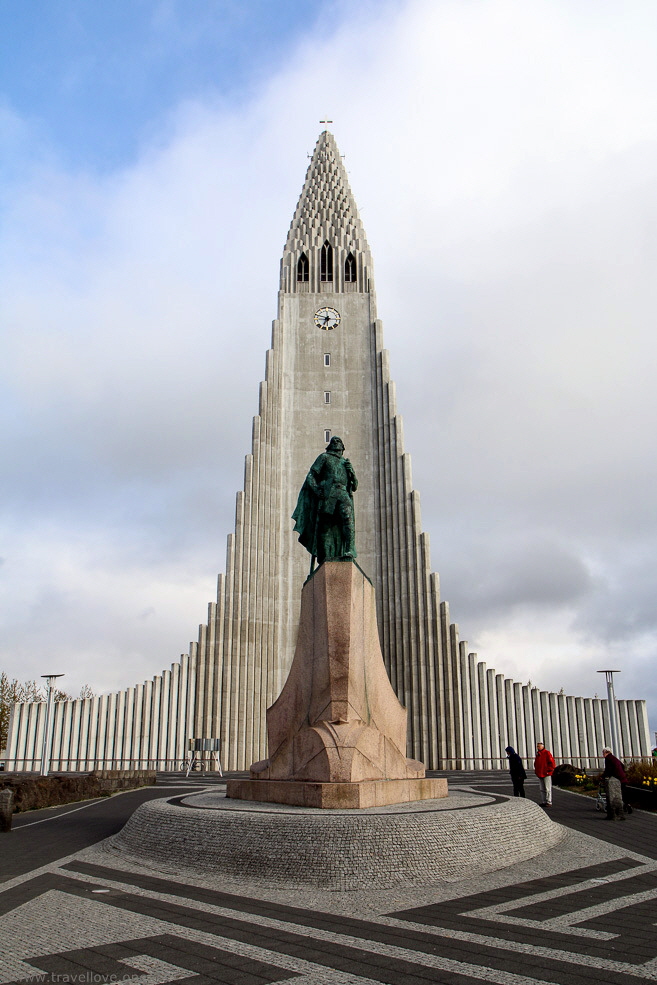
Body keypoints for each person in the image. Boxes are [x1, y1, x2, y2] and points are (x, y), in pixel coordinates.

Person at [292, 436, 358, 565]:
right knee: (325, 525)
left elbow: (354, 486)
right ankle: (324, 556)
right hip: (329, 493)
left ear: (343, 447)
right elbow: (311, 476)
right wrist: (317, 490)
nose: (336, 442)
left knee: (348, 519)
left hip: (343, 493)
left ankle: (349, 550)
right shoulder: (324, 457)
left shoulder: (346, 463)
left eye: (338, 441)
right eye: (334, 441)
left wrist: (352, 473)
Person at [602, 747, 631, 818]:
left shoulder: (608, 759)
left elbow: (608, 769)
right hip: (622, 777)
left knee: (617, 793)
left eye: (603, 752)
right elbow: (622, 765)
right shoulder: (614, 758)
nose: (603, 754)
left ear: (606, 752)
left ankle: (618, 808)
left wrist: (603, 776)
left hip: (617, 779)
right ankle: (627, 805)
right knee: (623, 792)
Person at [534, 742, 556, 807]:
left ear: (542, 747)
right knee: (542, 788)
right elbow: (536, 763)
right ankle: (544, 801)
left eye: (539, 746)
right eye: (537, 746)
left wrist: (548, 770)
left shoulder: (547, 753)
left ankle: (549, 801)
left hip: (546, 773)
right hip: (540, 773)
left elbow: (552, 763)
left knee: (547, 788)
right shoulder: (538, 754)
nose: (537, 747)